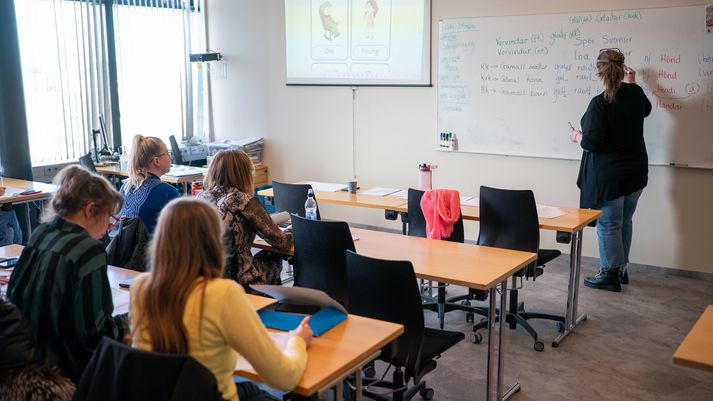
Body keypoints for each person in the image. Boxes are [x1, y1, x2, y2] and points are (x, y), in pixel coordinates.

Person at [130, 198, 311, 401]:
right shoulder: (222, 294)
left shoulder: (141, 288)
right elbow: (284, 378)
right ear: (213, 242)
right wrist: (297, 341)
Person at [6, 165, 129, 381]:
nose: (109, 228)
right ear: (90, 209)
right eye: (109, 217)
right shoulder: (88, 250)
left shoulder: (40, 233)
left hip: (24, 366)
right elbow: (94, 335)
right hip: (65, 373)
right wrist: (129, 322)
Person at [570, 48, 652, 292]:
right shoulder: (635, 94)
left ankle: (609, 274)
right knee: (624, 222)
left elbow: (591, 143)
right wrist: (632, 82)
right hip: (635, 172)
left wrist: (576, 136)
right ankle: (620, 269)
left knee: (609, 225)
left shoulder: (599, 103)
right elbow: (645, 110)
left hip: (610, 177)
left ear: (599, 71)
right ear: (622, 69)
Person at [200, 150, 291, 292]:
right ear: (245, 173)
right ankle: (287, 304)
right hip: (241, 279)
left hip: (207, 276)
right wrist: (293, 230)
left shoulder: (201, 197)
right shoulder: (243, 200)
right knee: (275, 255)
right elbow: (282, 242)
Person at [119, 134, 179, 234]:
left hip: (124, 249)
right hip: (154, 248)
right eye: (167, 153)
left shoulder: (125, 187)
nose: (171, 157)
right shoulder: (167, 192)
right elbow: (182, 230)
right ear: (157, 161)